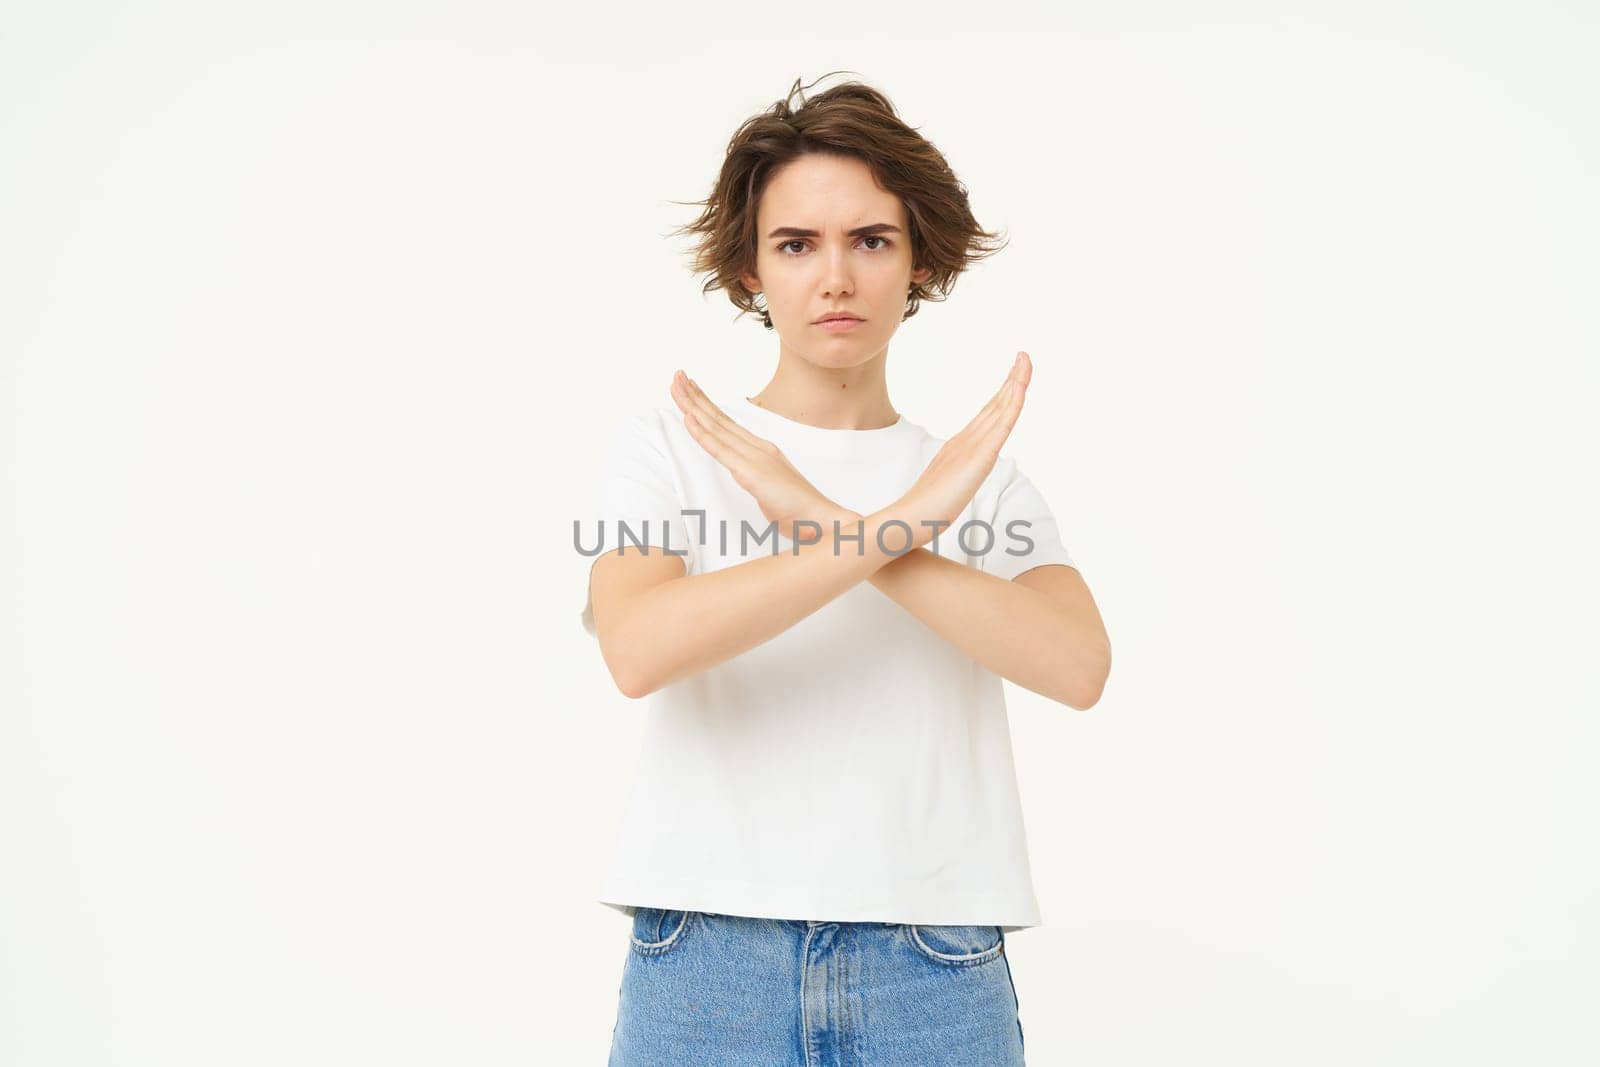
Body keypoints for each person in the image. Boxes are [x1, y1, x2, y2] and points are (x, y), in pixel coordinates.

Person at [578, 73, 1112, 1066]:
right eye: (796, 244)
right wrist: (893, 528)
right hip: (706, 953)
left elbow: (1077, 665)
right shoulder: (675, 448)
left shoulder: (976, 483)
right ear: (750, 270)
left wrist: (835, 524)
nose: (836, 277)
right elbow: (638, 646)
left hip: (932, 961)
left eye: (871, 239)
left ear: (917, 262)